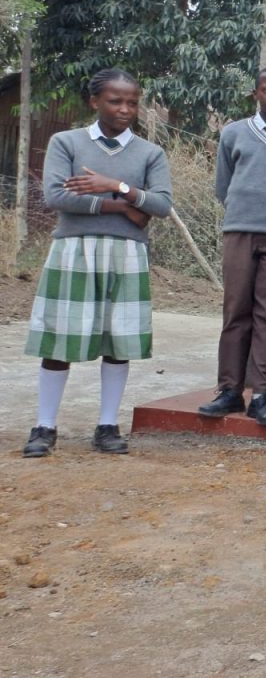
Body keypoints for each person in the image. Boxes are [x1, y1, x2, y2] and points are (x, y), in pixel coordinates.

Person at [23, 69, 172, 459]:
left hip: (127, 254)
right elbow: (57, 197)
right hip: (74, 250)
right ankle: (45, 426)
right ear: (94, 102)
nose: (125, 109)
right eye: (115, 101)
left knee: (118, 340)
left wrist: (115, 185)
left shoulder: (150, 153)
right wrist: (124, 206)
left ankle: (108, 425)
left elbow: (161, 205)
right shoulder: (66, 142)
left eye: (132, 102)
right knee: (60, 339)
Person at [199, 66, 266, 427]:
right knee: (236, 310)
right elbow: (223, 185)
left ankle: (261, 395)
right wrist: (243, 211)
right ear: (256, 93)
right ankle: (229, 390)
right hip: (240, 231)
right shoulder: (234, 133)